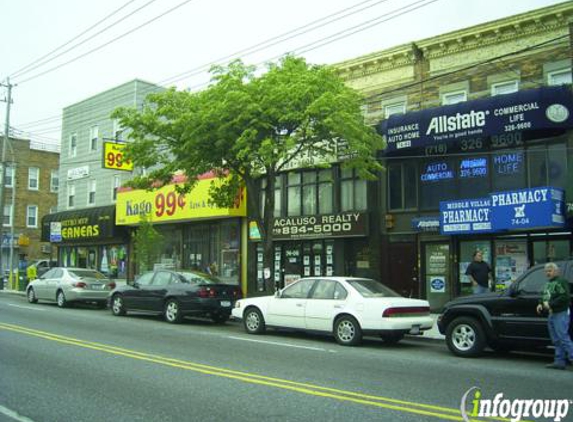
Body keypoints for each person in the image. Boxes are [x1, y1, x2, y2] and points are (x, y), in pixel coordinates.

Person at [536, 262, 573, 370]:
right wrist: (540, 303)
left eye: (550, 270)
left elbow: (565, 297)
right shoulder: (548, 283)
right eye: (546, 271)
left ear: (556, 271)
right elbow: (545, 296)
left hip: (560, 313)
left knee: (563, 337)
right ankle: (559, 361)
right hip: (552, 314)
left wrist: (551, 304)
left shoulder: (561, 282)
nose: (548, 273)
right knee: (556, 339)